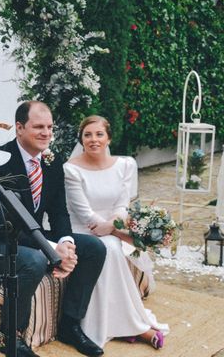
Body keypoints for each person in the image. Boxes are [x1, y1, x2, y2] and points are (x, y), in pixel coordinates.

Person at [0, 101, 106, 357]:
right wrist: (50, 250)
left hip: (32, 236)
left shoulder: (52, 161)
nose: (46, 133)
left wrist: (66, 243)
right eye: (38, 127)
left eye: (49, 127)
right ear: (19, 128)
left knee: (94, 247)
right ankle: (10, 337)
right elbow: (0, 225)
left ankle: (70, 325)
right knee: (35, 260)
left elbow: (58, 211)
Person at [64, 115, 168, 349]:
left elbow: (122, 205)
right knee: (108, 247)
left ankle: (129, 324)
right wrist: (105, 230)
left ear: (109, 137)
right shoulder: (71, 169)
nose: (93, 140)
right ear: (81, 139)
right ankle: (130, 327)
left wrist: (112, 227)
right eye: (87, 135)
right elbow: (83, 212)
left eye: (99, 134)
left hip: (112, 226)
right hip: (83, 229)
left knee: (112, 244)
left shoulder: (125, 165)